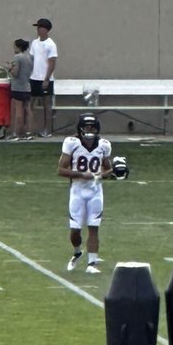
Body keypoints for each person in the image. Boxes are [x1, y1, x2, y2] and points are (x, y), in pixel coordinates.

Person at [59, 113, 112, 274]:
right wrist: (82, 175)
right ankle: (77, 252)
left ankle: (92, 264)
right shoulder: (72, 143)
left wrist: (103, 174)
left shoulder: (104, 145)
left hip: (95, 191)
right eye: (87, 127)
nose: (90, 130)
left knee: (93, 227)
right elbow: (61, 170)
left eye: (93, 127)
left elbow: (108, 169)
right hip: (77, 190)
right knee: (75, 229)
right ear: (81, 128)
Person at [29, 16, 58, 137]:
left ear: (45, 29)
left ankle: (47, 130)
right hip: (33, 78)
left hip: (45, 79)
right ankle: (29, 128)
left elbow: (52, 63)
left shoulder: (51, 44)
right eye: (38, 27)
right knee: (30, 104)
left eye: (40, 27)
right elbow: (31, 59)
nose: (38, 30)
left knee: (47, 106)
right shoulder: (35, 43)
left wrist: (46, 78)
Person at [7, 37, 33, 139]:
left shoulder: (17, 58)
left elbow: (15, 73)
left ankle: (16, 133)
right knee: (28, 109)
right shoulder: (29, 58)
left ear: (18, 47)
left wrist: (9, 68)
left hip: (18, 87)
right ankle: (28, 133)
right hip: (27, 86)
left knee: (18, 110)